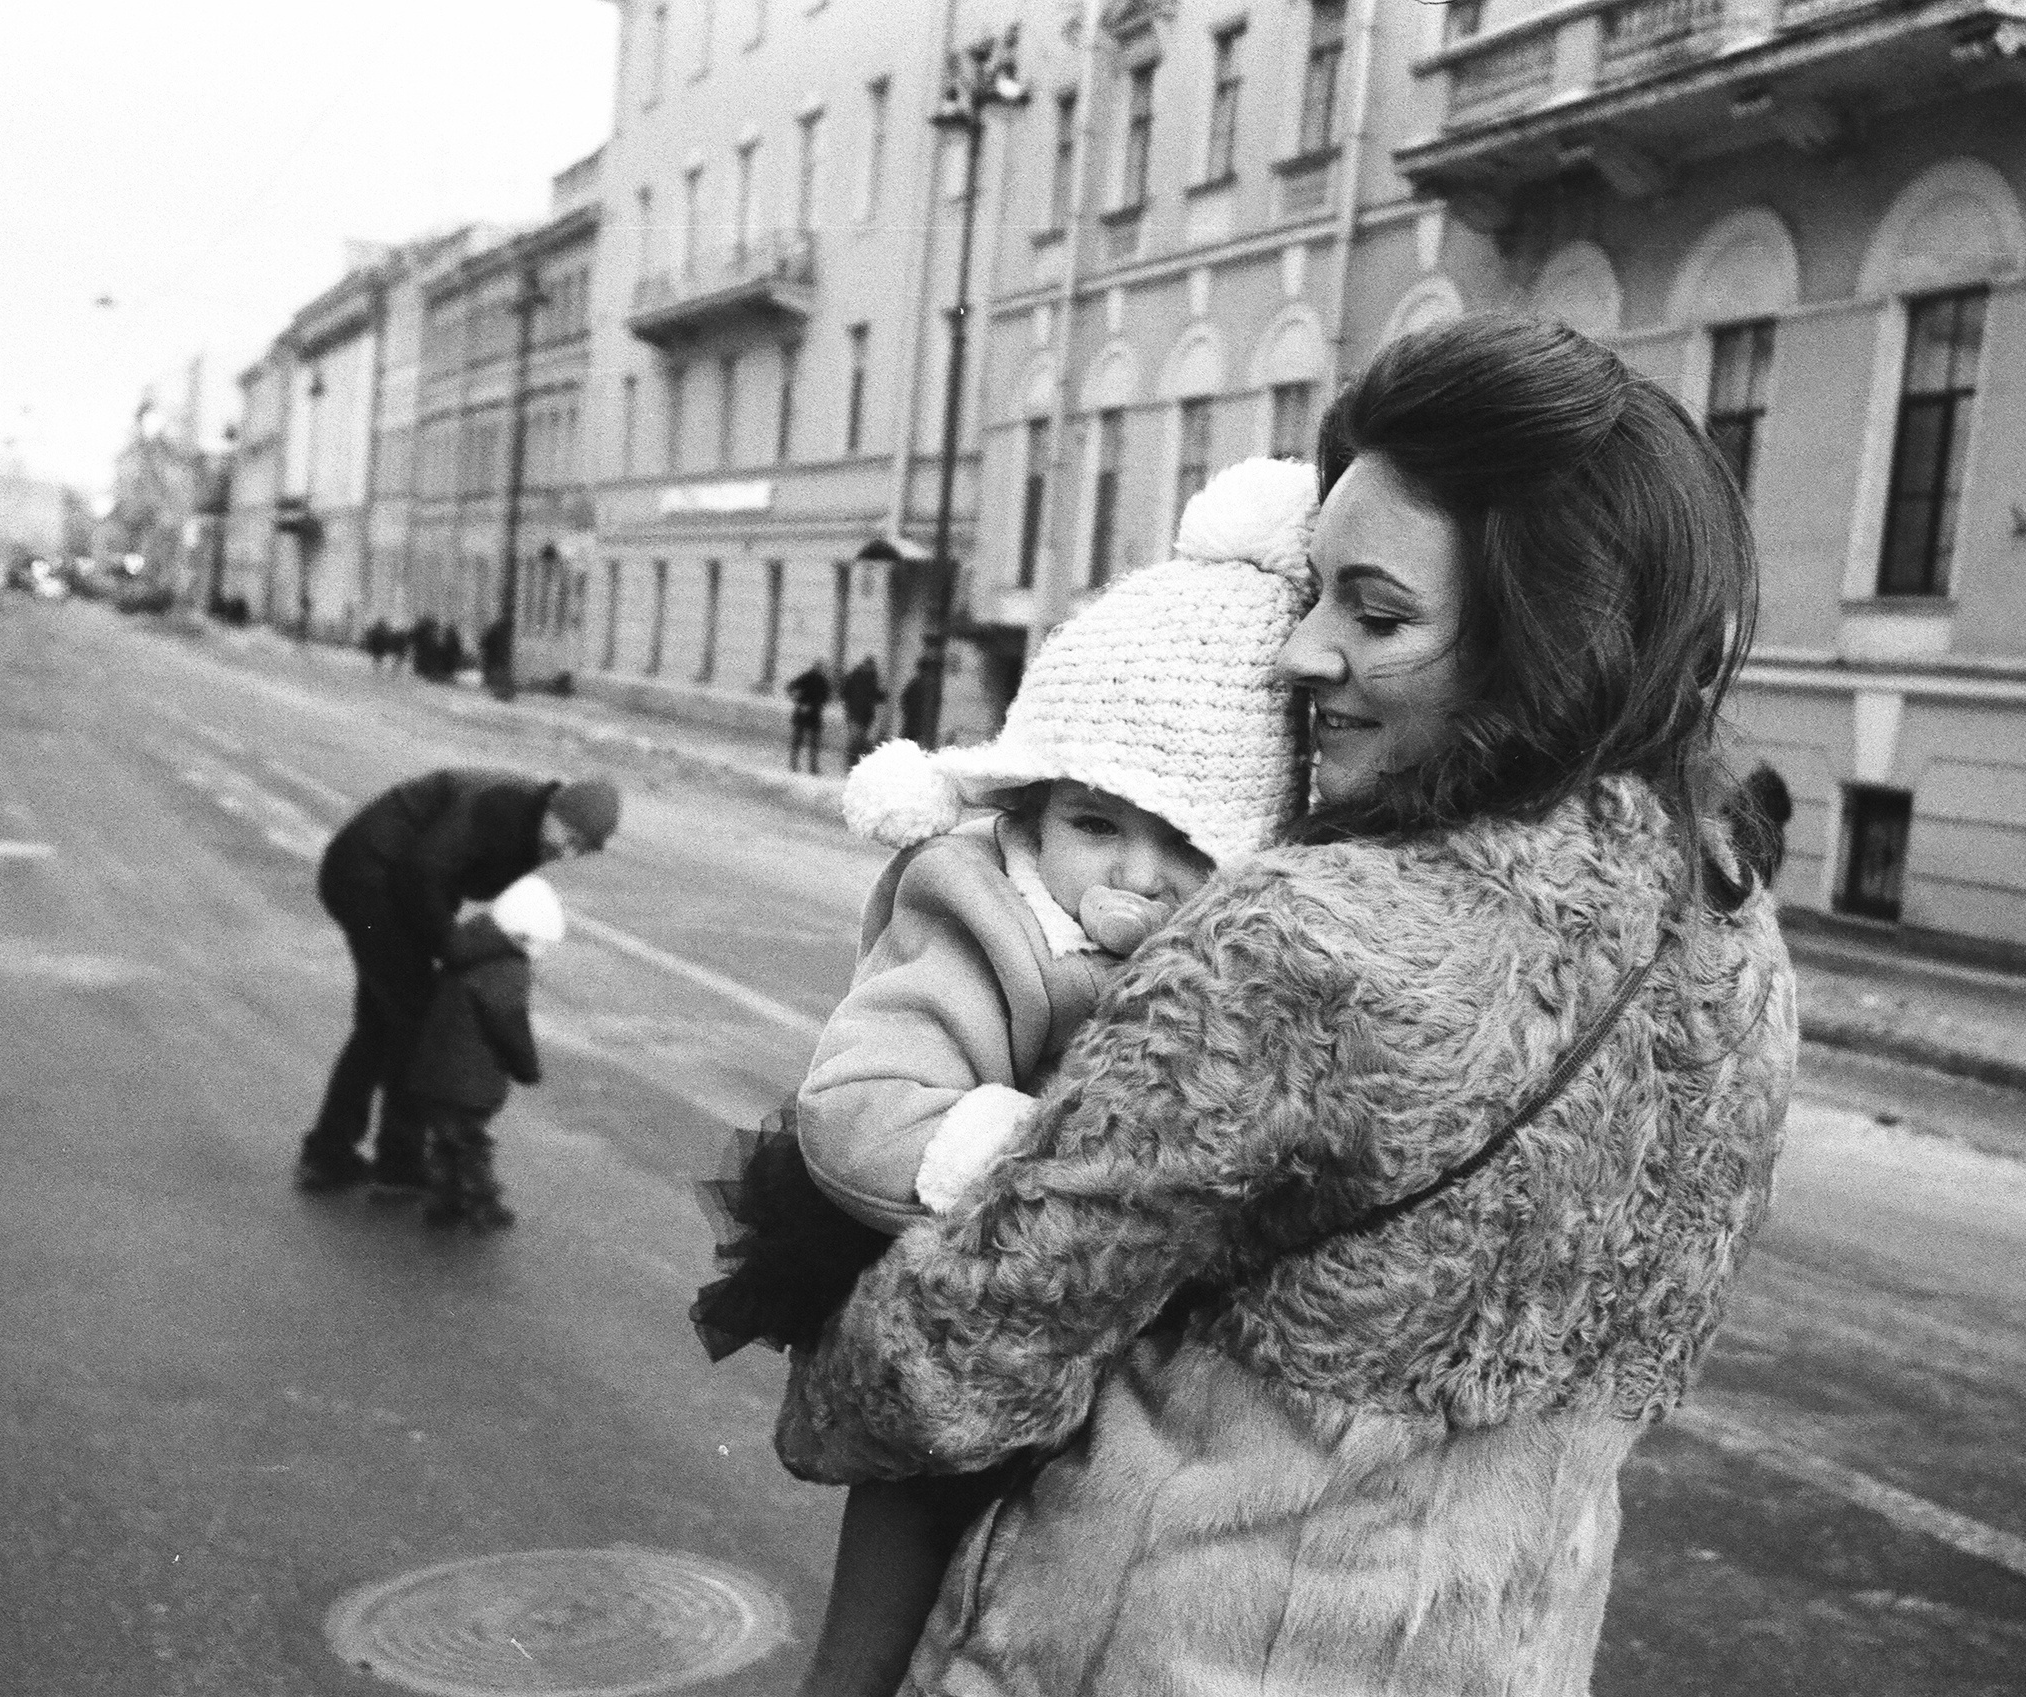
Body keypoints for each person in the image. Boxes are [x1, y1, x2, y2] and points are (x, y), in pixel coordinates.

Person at [769, 314, 1799, 1695]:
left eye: (1373, 614)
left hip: (1155, 1645)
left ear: (1550, 643)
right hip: (1500, 1648)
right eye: (1312, 594)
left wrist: (829, 1362)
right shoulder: (1737, 945)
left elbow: (967, 1347)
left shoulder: (1303, 939)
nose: (1296, 654)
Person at [695, 459, 1319, 1697]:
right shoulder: (980, 915)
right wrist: (1028, 1153)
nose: (1134, 875)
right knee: (910, 1526)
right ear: (1028, 813)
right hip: (950, 1291)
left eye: (1188, 845)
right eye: (1097, 822)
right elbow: (864, 1099)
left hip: (1109, 1350)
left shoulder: (1238, 956)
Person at [296, 769, 621, 1193]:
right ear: (555, 809)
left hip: (385, 882)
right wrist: (450, 943)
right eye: (568, 834)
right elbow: (422, 869)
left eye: (581, 847)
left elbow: (452, 877)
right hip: (369, 879)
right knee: (414, 1022)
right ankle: (397, 1164)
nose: (566, 850)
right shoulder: (502, 807)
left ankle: (330, 1153)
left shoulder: (533, 828)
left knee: (381, 1024)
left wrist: (451, 940)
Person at [396, 874, 563, 1232]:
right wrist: (527, 1068)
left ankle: (444, 1201)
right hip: (469, 1080)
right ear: (524, 936)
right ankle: (483, 1205)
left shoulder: (468, 947)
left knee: (447, 1139)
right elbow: (509, 1026)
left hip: (432, 1071)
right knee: (471, 1143)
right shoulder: (508, 969)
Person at [837, 657, 886, 768]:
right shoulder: (859, 678)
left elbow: (877, 696)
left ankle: (854, 763)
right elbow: (844, 693)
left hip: (862, 715)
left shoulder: (869, 678)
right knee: (856, 740)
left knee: (859, 740)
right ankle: (852, 764)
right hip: (857, 714)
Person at [787, 660, 833, 774]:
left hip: (808, 713)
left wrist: (798, 702)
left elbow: (791, 687)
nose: (822, 670)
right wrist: (800, 702)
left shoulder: (816, 679)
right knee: (809, 741)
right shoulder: (815, 679)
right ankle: (808, 767)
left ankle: (797, 765)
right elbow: (827, 697)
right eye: (821, 668)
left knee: (802, 740)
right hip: (811, 714)